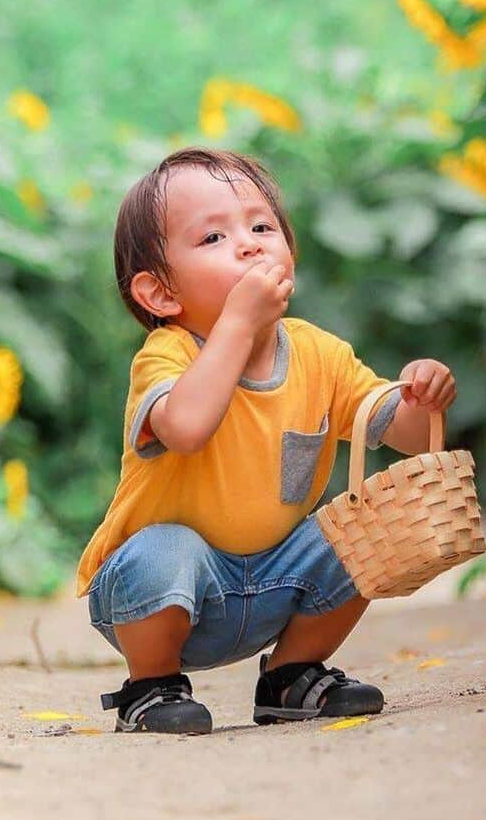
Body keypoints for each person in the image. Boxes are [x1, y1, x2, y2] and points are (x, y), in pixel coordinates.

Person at [77, 147, 457, 734]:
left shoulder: (317, 352)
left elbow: (398, 431)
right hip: (170, 596)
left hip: (279, 577)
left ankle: (291, 674)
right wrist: (236, 324)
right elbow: (185, 427)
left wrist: (419, 397)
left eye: (262, 227)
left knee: (361, 527)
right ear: (160, 295)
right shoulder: (168, 355)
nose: (250, 244)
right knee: (164, 549)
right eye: (213, 238)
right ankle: (150, 686)